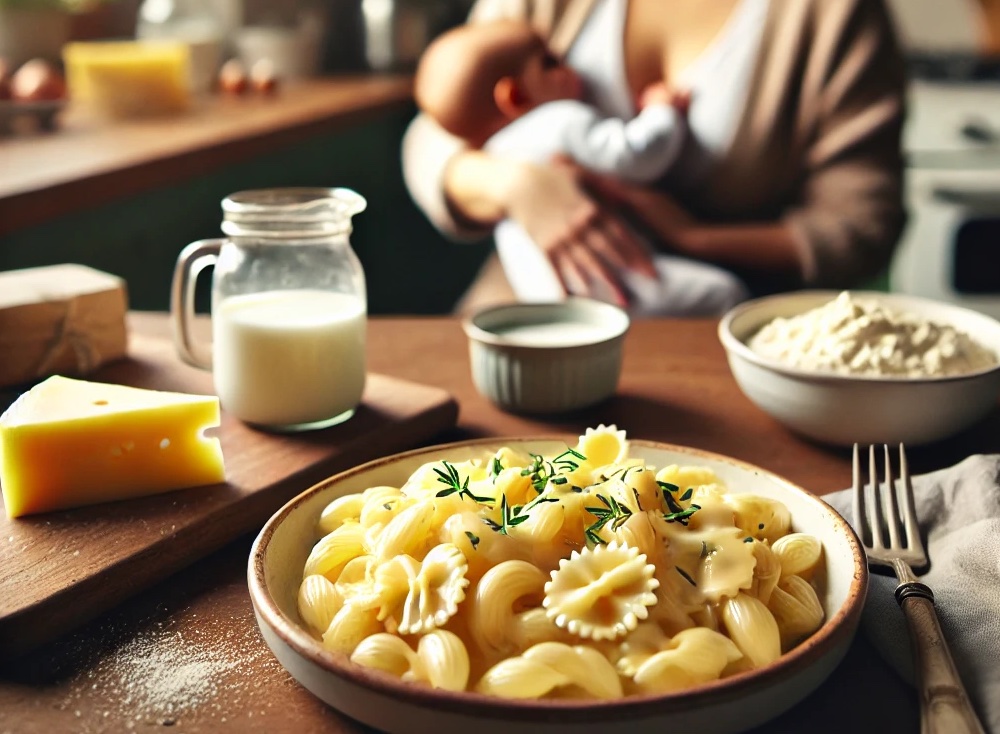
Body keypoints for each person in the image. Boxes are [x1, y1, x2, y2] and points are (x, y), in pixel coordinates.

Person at [401, 0, 908, 317]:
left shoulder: (834, 14)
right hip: (524, 317)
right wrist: (514, 184)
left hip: (716, 339)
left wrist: (696, 239)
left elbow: (860, 225)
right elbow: (435, 131)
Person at [413, 18, 750, 315]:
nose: (567, 63)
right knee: (726, 295)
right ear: (515, 97)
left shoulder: (495, 149)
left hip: (546, 298)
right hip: (620, 281)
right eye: (550, 62)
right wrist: (663, 112)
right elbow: (634, 156)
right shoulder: (559, 121)